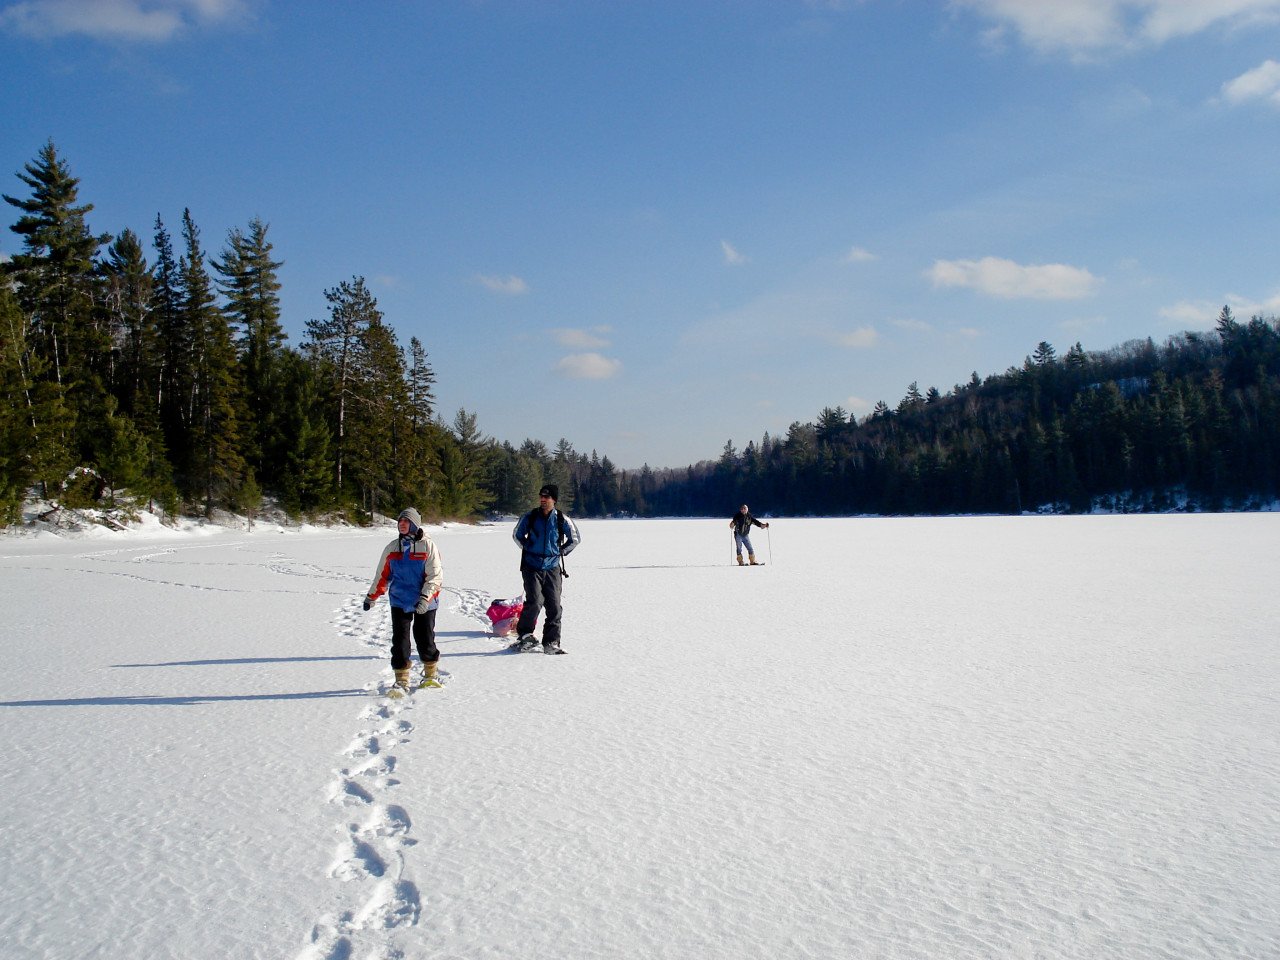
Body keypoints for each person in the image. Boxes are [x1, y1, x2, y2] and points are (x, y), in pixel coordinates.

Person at [362, 506, 444, 695]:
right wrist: (371, 596)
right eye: (400, 521)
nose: (402, 524)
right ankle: (401, 679)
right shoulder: (392, 547)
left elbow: (435, 576)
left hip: (425, 601)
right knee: (400, 642)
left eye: (406, 521)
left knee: (425, 638)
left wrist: (425, 599)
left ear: (415, 524)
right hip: (400, 600)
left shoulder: (428, 546)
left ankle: (430, 674)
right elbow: (382, 575)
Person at [511, 484, 581, 654]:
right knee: (534, 601)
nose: (542, 499)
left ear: (554, 500)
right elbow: (517, 535)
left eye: (546, 497)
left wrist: (560, 552)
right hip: (531, 566)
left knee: (554, 605)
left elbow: (575, 539)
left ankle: (551, 642)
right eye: (541, 496)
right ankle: (525, 636)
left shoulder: (561, 519)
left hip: (552, 567)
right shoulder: (530, 517)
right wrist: (528, 549)